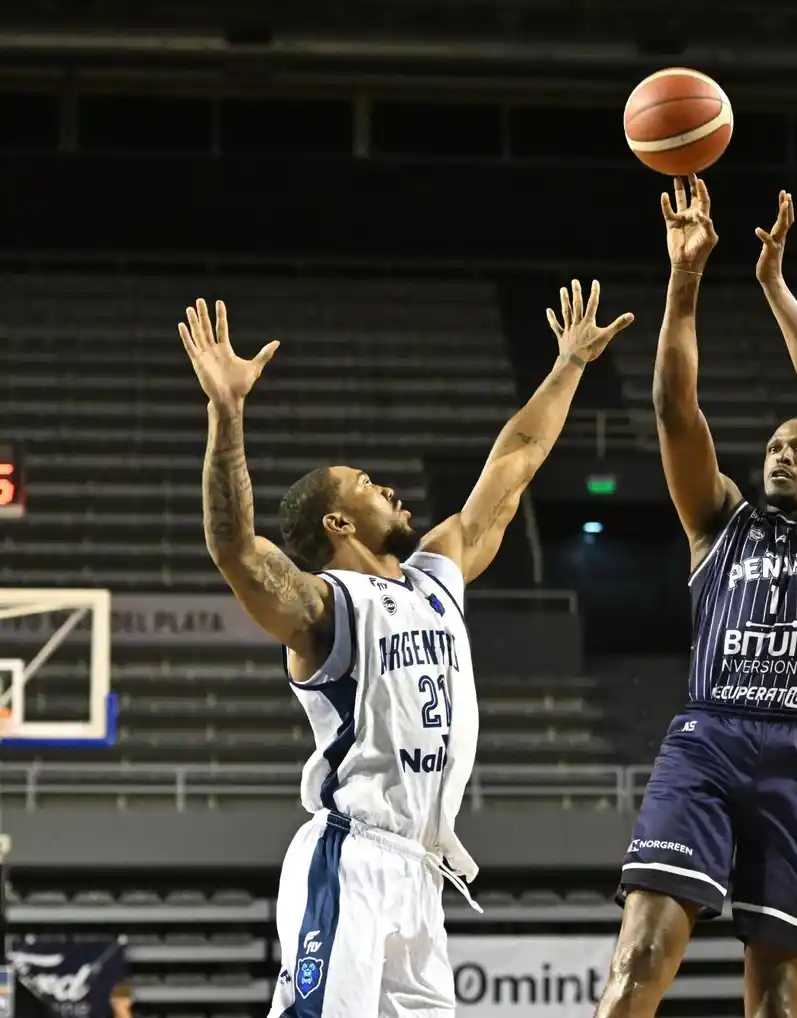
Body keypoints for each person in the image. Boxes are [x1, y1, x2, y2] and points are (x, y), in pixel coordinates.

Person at [179, 287, 633, 1017]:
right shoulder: (325, 607)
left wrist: (569, 365)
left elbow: (515, 461)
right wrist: (226, 413)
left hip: (419, 872)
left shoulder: (437, 574)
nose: (386, 487)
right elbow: (233, 547)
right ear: (337, 520)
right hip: (351, 857)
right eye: (365, 485)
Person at [592, 178, 797, 1018]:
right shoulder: (719, 520)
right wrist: (684, 278)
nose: (783, 454)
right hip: (710, 737)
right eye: (773, 445)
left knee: (777, 992)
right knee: (642, 956)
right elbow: (672, 408)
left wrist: (773, 287)